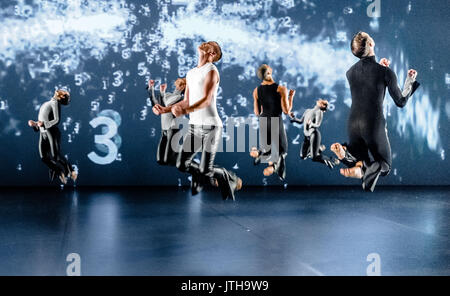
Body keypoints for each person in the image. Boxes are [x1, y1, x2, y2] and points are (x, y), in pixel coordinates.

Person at [331, 31, 420, 192]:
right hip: (372, 123)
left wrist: (381, 68)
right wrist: (410, 81)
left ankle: (348, 159)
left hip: (353, 123)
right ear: (371, 44)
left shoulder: (350, 72)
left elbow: (369, 85)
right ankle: (360, 169)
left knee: (360, 158)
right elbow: (400, 102)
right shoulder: (385, 72)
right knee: (384, 165)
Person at [153, 41, 242, 200]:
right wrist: (164, 109)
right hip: (195, 127)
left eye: (210, 45)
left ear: (212, 54)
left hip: (211, 127)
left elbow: (207, 100)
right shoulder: (191, 73)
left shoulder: (212, 71)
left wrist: (185, 111)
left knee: (206, 170)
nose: (204, 44)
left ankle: (226, 176)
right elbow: (186, 101)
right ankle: (216, 176)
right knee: (182, 164)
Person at [250, 64, 295, 180]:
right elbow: (286, 111)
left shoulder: (256, 91)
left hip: (264, 121)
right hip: (276, 120)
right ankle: (263, 157)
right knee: (282, 150)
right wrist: (291, 97)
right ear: (269, 73)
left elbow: (257, 112)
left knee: (271, 151)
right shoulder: (281, 89)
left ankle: (266, 160)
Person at [28, 89, 77, 184]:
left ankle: (71, 171)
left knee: (56, 156)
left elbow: (56, 120)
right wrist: (35, 125)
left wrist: (43, 124)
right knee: (44, 157)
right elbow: (42, 122)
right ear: (62, 97)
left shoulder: (55, 103)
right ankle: (59, 171)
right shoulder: (48, 104)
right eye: (67, 98)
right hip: (43, 133)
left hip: (51, 132)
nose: (68, 100)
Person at [290, 99, 337, 169]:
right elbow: (300, 121)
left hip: (314, 134)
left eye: (323, 103)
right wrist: (294, 118)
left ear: (323, 105)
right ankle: (319, 148)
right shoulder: (307, 111)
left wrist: (311, 123)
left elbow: (317, 124)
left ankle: (330, 159)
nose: (320, 101)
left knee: (314, 157)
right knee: (303, 156)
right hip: (306, 136)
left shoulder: (319, 112)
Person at [148, 78, 186, 166]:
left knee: (167, 160)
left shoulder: (181, 98)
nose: (177, 87)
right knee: (160, 160)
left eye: (180, 85)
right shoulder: (168, 95)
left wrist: (162, 94)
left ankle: (185, 158)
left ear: (184, 87)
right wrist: (151, 88)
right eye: (177, 85)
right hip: (164, 130)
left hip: (173, 130)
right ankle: (181, 154)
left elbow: (166, 107)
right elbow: (157, 105)